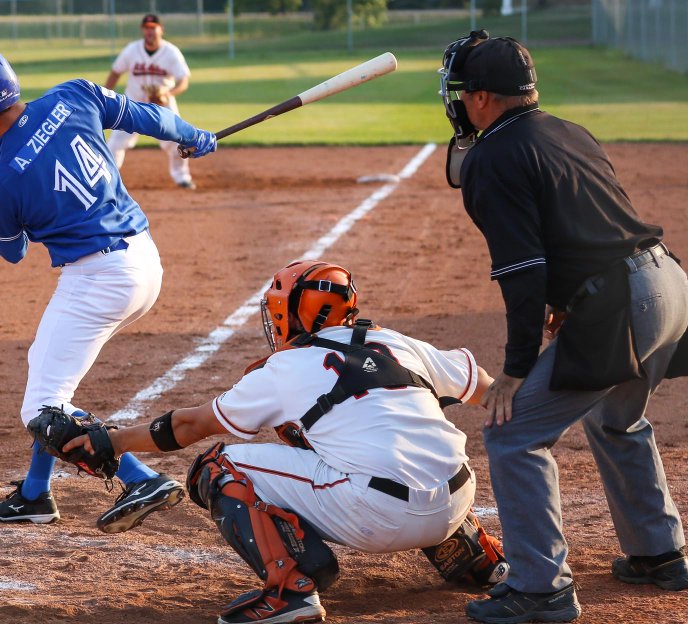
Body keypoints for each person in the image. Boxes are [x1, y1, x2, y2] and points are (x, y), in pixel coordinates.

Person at [63, 261, 509, 624]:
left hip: (377, 517)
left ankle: (290, 590)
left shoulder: (286, 368)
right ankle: (475, 557)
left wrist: (114, 441)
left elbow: (191, 426)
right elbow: (489, 390)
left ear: (288, 314)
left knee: (218, 467)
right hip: (456, 501)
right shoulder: (394, 342)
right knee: (404, 433)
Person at [436, 31, 688, 623]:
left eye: (459, 92)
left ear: (479, 99)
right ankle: (659, 553)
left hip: (624, 301)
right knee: (615, 416)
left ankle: (541, 589)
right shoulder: (567, 131)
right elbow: (592, 221)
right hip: (670, 283)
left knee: (513, 432)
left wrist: (516, 369)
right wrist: (573, 298)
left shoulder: (493, 157)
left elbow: (523, 273)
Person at [0, 43, 217, 533]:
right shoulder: (75, 95)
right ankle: (33, 494)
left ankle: (140, 478)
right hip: (145, 261)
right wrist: (195, 135)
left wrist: (19, 202)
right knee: (48, 381)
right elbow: (149, 118)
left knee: (43, 407)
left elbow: (12, 251)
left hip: (97, 278)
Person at [105, 14, 197, 189]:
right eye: (146, 28)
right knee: (115, 143)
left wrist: (169, 94)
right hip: (133, 105)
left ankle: (182, 177)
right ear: (142, 30)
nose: (150, 31)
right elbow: (116, 72)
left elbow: (183, 81)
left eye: (153, 27)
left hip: (163, 105)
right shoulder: (132, 50)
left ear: (161, 29)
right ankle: (108, 180)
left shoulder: (171, 52)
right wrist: (105, 94)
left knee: (178, 141)